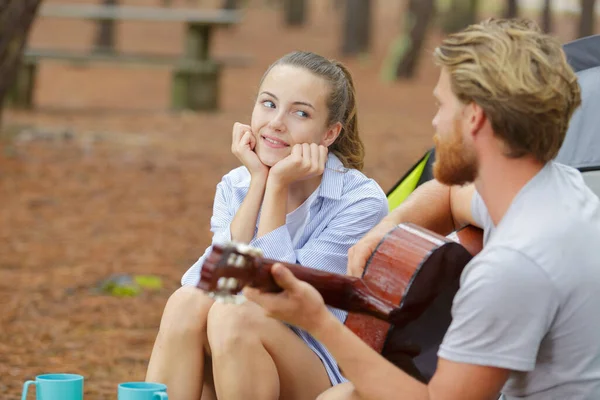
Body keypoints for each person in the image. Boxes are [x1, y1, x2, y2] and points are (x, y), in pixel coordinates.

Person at [244, 18, 600, 400]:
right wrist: (386, 229)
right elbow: (448, 194)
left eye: (441, 105)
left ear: (474, 118)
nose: (434, 122)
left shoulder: (514, 266)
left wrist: (317, 320)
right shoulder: (550, 185)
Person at [144, 51, 389, 400]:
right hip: (239, 348)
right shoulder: (237, 184)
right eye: (269, 104)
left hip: (325, 373)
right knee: (186, 302)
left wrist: (277, 187)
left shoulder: (360, 202)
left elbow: (282, 300)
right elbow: (209, 281)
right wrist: (259, 180)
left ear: (329, 133)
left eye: (300, 113)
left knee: (234, 316)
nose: (276, 123)